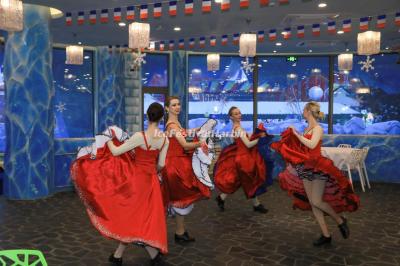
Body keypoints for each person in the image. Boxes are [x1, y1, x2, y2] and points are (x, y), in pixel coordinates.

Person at [71, 102, 169, 265]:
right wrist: (154, 170)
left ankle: (127, 256)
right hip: (151, 182)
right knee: (143, 218)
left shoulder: (140, 136)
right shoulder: (164, 139)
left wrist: (108, 139)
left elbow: (116, 152)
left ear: (147, 116)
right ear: (161, 118)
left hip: (136, 182)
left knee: (132, 217)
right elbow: (162, 165)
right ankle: (133, 255)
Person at [271, 101, 360, 246]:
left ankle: (339, 220)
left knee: (317, 201)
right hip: (306, 167)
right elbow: (303, 146)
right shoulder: (307, 128)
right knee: (313, 203)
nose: (303, 112)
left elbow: (311, 145)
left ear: (307, 111)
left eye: (304, 110)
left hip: (318, 167)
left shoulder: (318, 128)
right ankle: (326, 235)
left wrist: (296, 134)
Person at [162, 96, 211, 244]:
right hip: (176, 165)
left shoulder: (175, 123)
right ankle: (171, 232)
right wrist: (200, 143)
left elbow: (183, 134)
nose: (177, 107)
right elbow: (184, 144)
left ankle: (180, 231)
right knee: (182, 196)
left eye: (178, 104)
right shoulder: (171, 125)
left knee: (181, 199)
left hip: (178, 162)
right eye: (173, 105)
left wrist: (196, 130)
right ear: (167, 108)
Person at [214, 106, 269, 213]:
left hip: (241, 157)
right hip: (243, 159)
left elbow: (244, 141)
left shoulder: (237, 127)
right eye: (236, 113)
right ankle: (256, 205)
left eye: (239, 113)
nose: (239, 115)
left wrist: (256, 135)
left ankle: (221, 198)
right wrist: (260, 139)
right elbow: (248, 144)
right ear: (231, 117)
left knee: (240, 180)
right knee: (249, 180)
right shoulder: (238, 128)